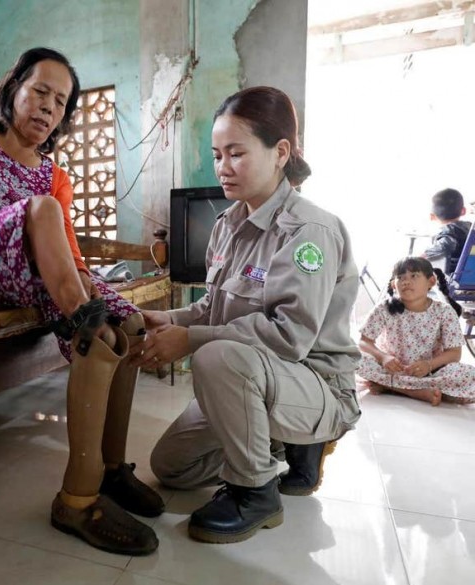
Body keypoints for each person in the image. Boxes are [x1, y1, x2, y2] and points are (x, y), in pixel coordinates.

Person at [0, 48, 162, 556]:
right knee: (52, 231)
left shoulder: (55, 176)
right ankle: (78, 496)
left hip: (26, 272)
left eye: (60, 101)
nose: (48, 107)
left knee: (130, 326)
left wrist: (92, 287)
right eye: (40, 91)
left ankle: (105, 473)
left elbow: (69, 254)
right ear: (13, 91)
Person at [129, 86, 361, 544]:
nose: (223, 167)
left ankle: (255, 493)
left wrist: (190, 341)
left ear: (280, 153)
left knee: (216, 356)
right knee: (172, 467)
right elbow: (211, 308)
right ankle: (278, 443)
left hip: (314, 383)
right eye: (217, 155)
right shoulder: (228, 225)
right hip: (255, 379)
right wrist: (172, 321)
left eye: (236, 153)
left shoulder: (309, 231)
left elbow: (288, 337)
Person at [357, 256, 475, 405]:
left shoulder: (444, 311)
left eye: (414, 276)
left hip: (431, 372)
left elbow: (454, 353)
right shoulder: (384, 308)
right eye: (400, 277)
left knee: (469, 374)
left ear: (431, 281)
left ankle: (388, 386)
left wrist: (429, 365)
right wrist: (383, 357)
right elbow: (364, 342)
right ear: (394, 285)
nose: (406, 281)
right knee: (352, 357)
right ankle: (414, 391)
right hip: (389, 369)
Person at [422, 188, 471, 275]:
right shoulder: (470, 228)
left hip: (452, 277)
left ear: (432, 216)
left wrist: (425, 254)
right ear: (463, 211)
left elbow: (446, 245)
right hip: (470, 276)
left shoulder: (449, 230)